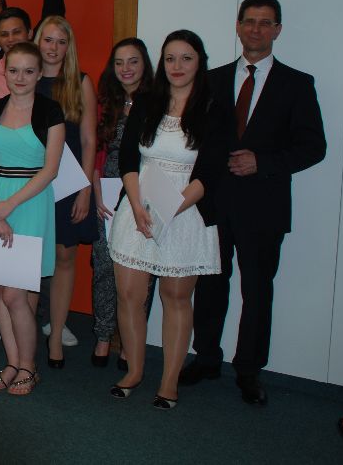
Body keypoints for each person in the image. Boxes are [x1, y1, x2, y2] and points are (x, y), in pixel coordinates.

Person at [181, 0, 326, 405]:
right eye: (249, 21)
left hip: (265, 206)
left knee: (258, 290)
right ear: (238, 26)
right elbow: (197, 139)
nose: (256, 29)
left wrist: (262, 162)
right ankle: (207, 357)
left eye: (265, 23)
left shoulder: (297, 84)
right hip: (215, 202)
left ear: (277, 29)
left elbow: (314, 147)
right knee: (211, 285)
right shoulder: (211, 80)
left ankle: (248, 369)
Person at [107, 29, 226, 410]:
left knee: (175, 297)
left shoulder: (214, 107)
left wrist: (169, 210)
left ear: (199, 62)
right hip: (139, 206)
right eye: (170, 58)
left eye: (186, 58)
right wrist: (138, 204)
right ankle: (134, 372)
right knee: (130, 295)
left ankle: (169, 382)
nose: (177, 66)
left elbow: (210, 171)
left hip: (185, 211)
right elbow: (129, 158)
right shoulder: (146, 101)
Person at [0, 42, 65, 396]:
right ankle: (12, 362)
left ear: (39, 74)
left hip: (29, 204)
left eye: (29, 71)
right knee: (1, 289)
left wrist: (8, 206)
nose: (20, 77)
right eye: (13, 70)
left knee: (16, 293)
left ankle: (29, 366)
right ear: (5, 72)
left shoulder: (50, 111)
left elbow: (50, 169)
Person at [34, 15, 96, 367]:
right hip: (30, 183)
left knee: (64, 257)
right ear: (37, 41)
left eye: (61, 41)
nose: (54, 48)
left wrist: (85, 189)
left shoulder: (80, 82)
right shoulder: (25, 77)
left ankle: (56, 334)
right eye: (48, 40)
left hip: (70, 185)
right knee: (29, 257)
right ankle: (22, 329)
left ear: (68, 46)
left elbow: (88, 140)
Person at [90, 38, 154, 368]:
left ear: (145, 65)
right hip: (107, 193)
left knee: (141, 272)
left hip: (144, 195)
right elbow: (96, 152)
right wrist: (96, 192)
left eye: (133, 61)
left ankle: (130, 343)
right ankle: (103, 336)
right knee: (104, 266)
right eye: (119, 62)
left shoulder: (158, 103)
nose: (125, 69)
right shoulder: (106, 104)